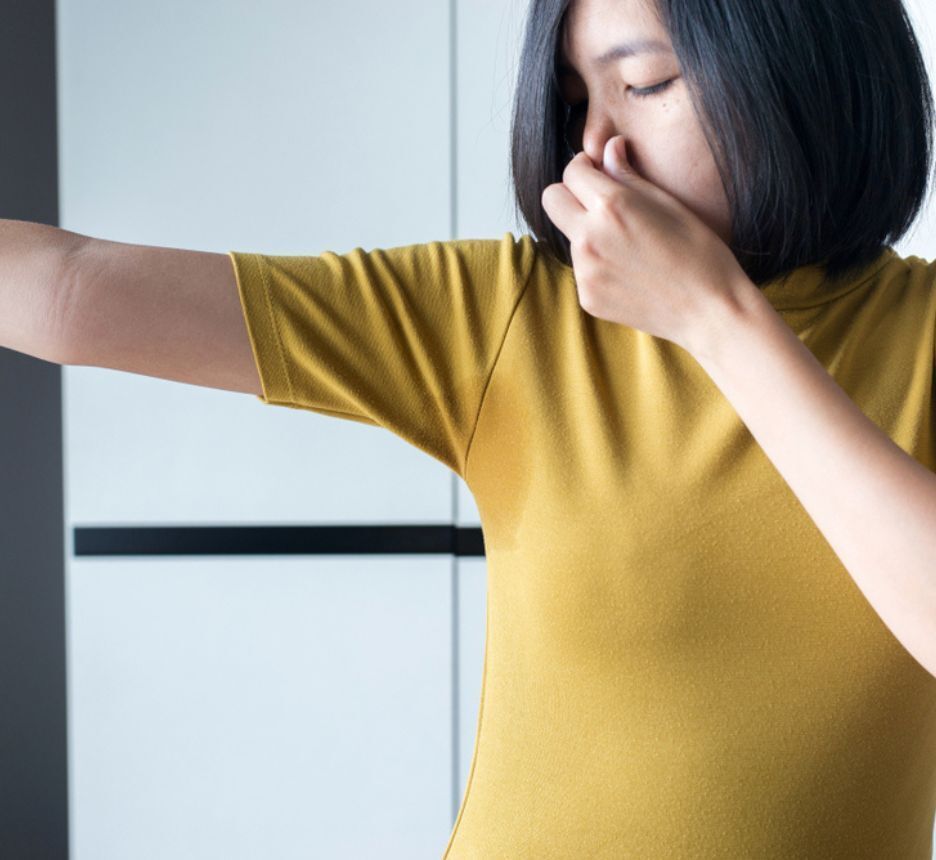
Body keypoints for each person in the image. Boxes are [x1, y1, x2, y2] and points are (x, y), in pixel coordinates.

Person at [1, 0, 935, 856]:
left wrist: (714, 320)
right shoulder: (508, 313)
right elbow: (71, 293)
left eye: (644, 84)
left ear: (803, 58)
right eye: (574, 104)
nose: (593, 149)